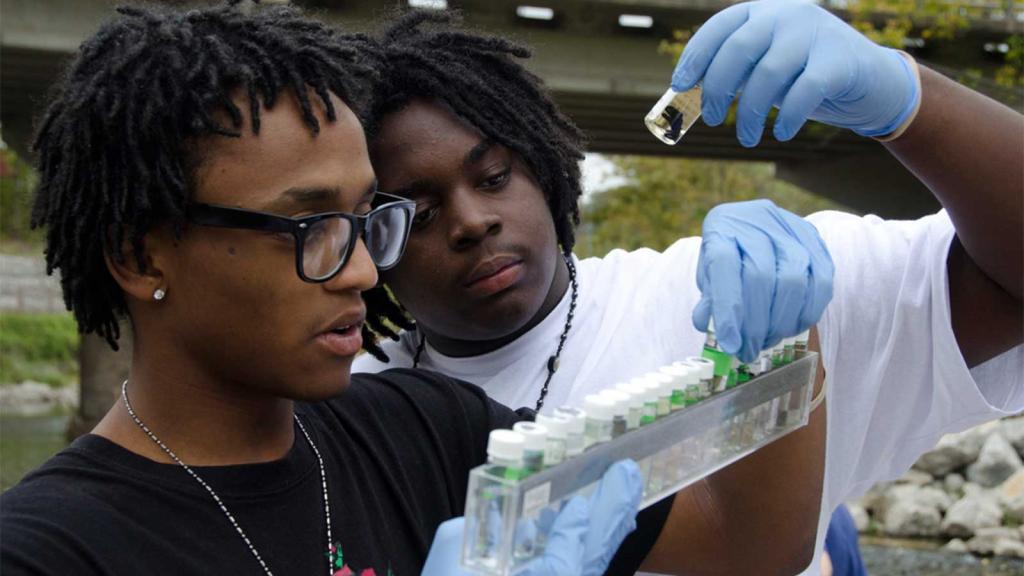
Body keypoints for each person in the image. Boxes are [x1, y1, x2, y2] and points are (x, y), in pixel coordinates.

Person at [353, 1, 1024, 574]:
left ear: (542, 165)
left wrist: (910, 103)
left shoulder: (744, 290)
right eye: (423, 214)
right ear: (368, 241)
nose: (473, 221)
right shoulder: (349, 415)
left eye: (494, 175)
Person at [0, 4, 654, 575]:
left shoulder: (426, 429)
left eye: (365, 221)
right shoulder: (46, 551)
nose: (364, 274)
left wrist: (754, 371)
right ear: (142, 257)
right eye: (308, 226)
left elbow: (728, 533)